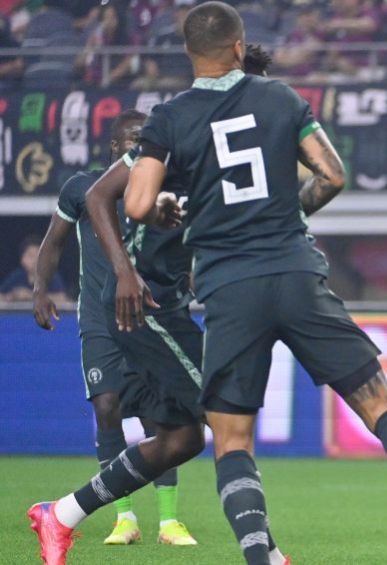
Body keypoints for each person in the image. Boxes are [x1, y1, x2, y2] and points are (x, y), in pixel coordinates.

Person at [109, 3, 387, 564]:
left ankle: (261, 557)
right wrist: (289, 212)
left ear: (190, 54)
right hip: (294, 270)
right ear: (240, 46)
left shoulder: (170, 117)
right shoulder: (281, 98)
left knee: (233, 439)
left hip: (228, 287)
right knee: (377, 404)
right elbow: (333, 174)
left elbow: (139, 201)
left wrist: (171, 207)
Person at [26, 45, 280, 565]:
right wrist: (116, 271)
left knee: (179, 438)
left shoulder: (221, 158)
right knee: (222, 412)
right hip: (136, 310)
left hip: (167, 307)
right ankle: (264, 555)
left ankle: (63, 514)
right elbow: (98, 202)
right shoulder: (171, 135)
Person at [31, 109, 198, 548]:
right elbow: (54, 242)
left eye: (145, 137)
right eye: (130, 138)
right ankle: (123, 518)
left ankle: (168, 521)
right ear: (113, 146)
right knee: (107, 406)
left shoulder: (159, 187)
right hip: (100, 317)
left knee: (159, 413)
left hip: (151, 312)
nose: (137, 143)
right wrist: (40, 288)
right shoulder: (83, 188)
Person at [3, 235, 66, 303]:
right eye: (31, 256)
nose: (36, 260)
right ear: (22, 259)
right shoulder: (17, 276)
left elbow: (61, 299)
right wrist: (12, 296)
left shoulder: (51, 276)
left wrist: (29, 295)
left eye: (39, 255)